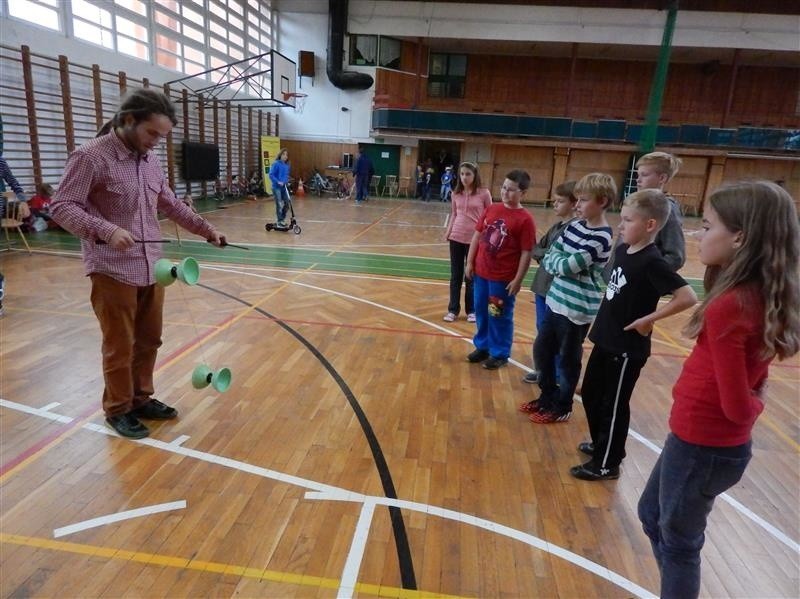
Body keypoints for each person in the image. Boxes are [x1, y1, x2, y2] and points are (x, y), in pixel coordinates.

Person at [637, 181, 800, 598]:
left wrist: (754, 405)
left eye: (707, 226)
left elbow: (736, 406)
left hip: (704, 447)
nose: (699, 235)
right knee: (651, 514)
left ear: (740, 237)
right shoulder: (744, 293)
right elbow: (753, 374)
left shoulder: (732, 305)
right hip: (694, 442)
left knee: (679, 546)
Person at [51, 88, 227, 440]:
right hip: (112, 267)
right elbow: (62, 207)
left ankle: (140, 398)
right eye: (152, 134)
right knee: (120, 342)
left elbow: (171, 204)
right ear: (129, 121)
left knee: (149, 339)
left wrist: (207, 230)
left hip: (152, 267)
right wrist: (105, 229)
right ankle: (117, 409)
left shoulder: (150, 160)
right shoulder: (90, 158)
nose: (156, 143)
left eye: (162, 137)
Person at [571, 189, 697, 481]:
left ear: (650, 225)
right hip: (605, 337)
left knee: (613, 405)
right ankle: (604, 446)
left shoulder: (652, 261)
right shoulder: (624, 251)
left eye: (628, 220)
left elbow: (687, 296)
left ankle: (607, 463)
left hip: (627, 348)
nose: (620, 225)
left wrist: (648, 319)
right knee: (590, 393)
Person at [528, 173, 615, 424]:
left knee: (568, 360)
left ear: (603, 202)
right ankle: (547, 397)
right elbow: (551, 258)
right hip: (555, 301)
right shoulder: (574, 226)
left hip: (575, 309)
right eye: (576, 200)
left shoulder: (602, 237)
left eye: (583, 200)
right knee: (542, 351)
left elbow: (566, 266)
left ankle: (563, 405)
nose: (577, 205)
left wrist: (559, 263)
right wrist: (559, 262)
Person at [465, 169, 536, 370]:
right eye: (504, 188)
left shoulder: (525, 220)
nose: (505, 192)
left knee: (498, 314)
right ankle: (483, 346)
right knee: (480, 310)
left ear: (523, 193)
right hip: (481, 274)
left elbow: (526, 252)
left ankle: (500, 353)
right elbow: (477, 236)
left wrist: (518, 280)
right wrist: (470, 262)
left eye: (512, 190)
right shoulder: (492, 209)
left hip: (502, 279)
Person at [519, 181, 577, 387]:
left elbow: (565, 259)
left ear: (574, 203)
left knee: (557, 334)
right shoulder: (556, 226)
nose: (555, 204)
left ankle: (558, 375)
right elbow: (537, 249)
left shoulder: (576, 230)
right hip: (542, 287)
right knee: (543, 331)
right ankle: (545, 369)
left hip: (558, 291)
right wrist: (550, 256)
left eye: (560, 201)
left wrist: (549, 256)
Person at [604, 151, 686, 279]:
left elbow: (676, 256)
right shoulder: (637, 202)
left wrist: (644, 276)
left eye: (645, 175)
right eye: (638, 175)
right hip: (618, 281)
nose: (638, 180)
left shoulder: (668, 209)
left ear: (662, 178)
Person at [442, 162, 492, 323]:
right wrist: (448, 232)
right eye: (462, 174)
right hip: (456, 237)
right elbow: (454, 214)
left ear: (475, 175)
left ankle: (471, 310)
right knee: (455, 275)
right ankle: (453, 310)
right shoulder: (455, 193)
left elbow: (489, 216)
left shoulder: (484, 193)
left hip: (475, 240)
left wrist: (487, 237)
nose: (464, 177)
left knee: (470, 276)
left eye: (468, 174)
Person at [269, 148, 290, 225]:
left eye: (286, 155)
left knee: (287, 204)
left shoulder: (287, 166)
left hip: (284, 187)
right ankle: (279, 220)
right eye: (283, 154)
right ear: (280, 155)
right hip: (276, 187)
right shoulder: (276, 164)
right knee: (279, 204)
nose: (285, 156)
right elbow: (271, 175)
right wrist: (278, 181)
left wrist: (286, 181)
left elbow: (286, 176)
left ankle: (282, 219)